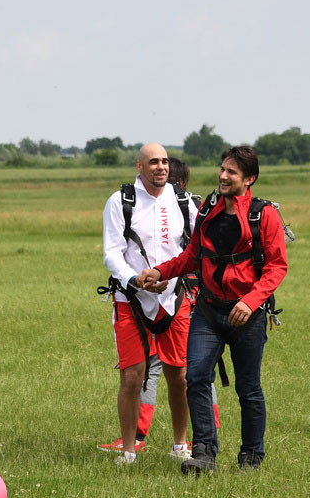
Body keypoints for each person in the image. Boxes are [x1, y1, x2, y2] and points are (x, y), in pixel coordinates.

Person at [140, 146, 287, 474]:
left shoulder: (265, 215)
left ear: (249, 179)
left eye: (232, 172)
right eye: (222, 169)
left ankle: (251, 457)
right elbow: (193, 254)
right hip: (208, 310)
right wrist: (162, 272)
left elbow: (276, 267)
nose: (223, 175)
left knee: (248, 387)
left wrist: (250, 302)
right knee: (196, 377)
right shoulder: (207, 208)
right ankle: (204, 453)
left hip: (248, 315)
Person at [100, 157, 220, 455]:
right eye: (154, 162)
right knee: (133, 376)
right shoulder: (122, 201)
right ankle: (131, 449)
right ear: (140, 166)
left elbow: (204, 244)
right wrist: (136, 280)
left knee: (180, 375)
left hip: (176, 298)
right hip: (132, 299)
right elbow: (112, 252)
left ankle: (182, 443)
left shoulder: (185, 204)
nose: (161, 169)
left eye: (165, 163)